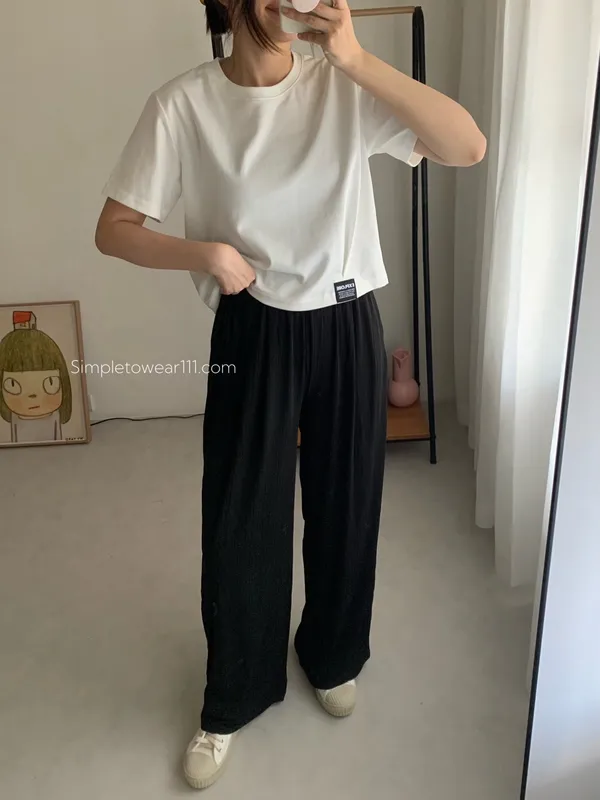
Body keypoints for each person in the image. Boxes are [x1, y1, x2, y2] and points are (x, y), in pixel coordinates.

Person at [95, 0, 486, 789]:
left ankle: (333, 655)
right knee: (241, 517)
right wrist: (206, 253)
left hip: (347, 322)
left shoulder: (340, 84)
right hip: (252, 328)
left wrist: (357, 60)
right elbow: (115, 228)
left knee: (348, 505)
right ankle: (233, 698)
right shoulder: (184, 104)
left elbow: (466, 146)